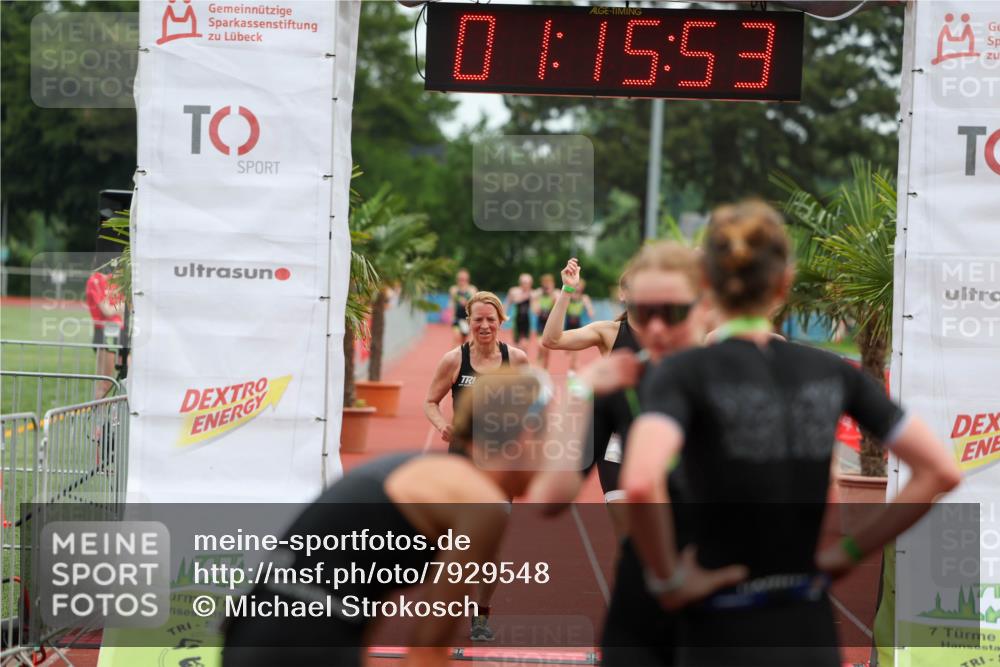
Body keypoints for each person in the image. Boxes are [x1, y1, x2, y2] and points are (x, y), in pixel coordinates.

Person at [620, 201, 962, 666]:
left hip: (720, 623)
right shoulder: (830, 372)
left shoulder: (683, 374)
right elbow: (940, 470)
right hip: (807, 621)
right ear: (784, 283)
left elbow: (640, 482)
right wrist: (846, 553)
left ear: (705, 284)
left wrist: (668, 580)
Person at [224, 368, 578, 667]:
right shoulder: (480, 501)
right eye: (550, 436)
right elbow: (429, 646)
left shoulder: (427, 470)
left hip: (259, 626)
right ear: (526, 432)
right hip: (302, 639)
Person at [423, 291, 529, 640]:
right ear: (469, 321)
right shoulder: (454, 360)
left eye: (490, 319)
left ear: (501, 320)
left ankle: (480, 617)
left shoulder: (517, 359)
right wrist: (442, 424)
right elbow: (430, 402)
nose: (484, 325)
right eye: (477, 319)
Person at [85, 261, 124, 399]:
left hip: (123, 333)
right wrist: (121, 308)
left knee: (126, 382)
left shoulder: (118, 280)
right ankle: (99, 419)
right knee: (105, 384)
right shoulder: (95, 280)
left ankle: (115, 417)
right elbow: (107, 310)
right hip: (105, 333)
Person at [563, 278, 595, 372]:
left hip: (577, 325)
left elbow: (590, 309)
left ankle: (573, 368)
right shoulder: (569, 295)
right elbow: (565, 291)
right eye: (577, 286)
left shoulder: (584, 298)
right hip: (568, 325)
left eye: (580, 286)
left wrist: (590, 311)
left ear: (582, 288)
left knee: (575, 349)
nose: (578, 288)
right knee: (567, 349)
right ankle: (572, 365)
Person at [533, 274, 557, 369]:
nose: (546, 286)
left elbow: (556, 307)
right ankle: (539, 367)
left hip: (550, 325)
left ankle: (545, 369)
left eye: (549, 283)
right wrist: (537, 299)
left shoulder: (555, 295)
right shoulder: (538, 295)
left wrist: (552, 295)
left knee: (547, 350)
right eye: (545, 284)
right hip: (540, 324)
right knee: (540, 346)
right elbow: (536, 310)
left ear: (552, 284)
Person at [447, 269, 477, 345]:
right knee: (457, 338)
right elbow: (451, 303)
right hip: (457, 318)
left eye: (463, 279)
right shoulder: (453, 289)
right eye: (460, 279)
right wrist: (451, 315)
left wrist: (467, 302)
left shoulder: (472, 289)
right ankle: (454, 356)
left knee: (465, 343)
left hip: (468, 319)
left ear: (467, 279)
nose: (461, 281)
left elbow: (475, 304)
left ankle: (462, 355)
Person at [504, 273, 534, 347]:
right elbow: (507, 304)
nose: (526, 285)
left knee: (525, 343)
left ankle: (523, 355)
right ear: (520, 283)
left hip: (527, 320)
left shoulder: (533, 293)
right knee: (516, 343)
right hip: (516, 320)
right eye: (524, 282)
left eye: (528, 283)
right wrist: (503, 315)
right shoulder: (514, 291)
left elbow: (535, 308)